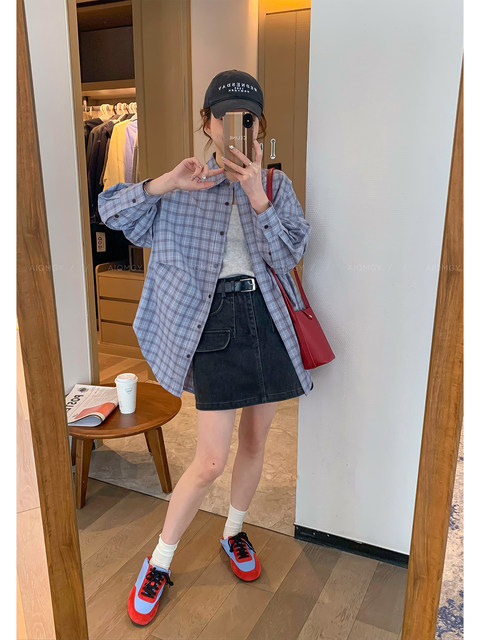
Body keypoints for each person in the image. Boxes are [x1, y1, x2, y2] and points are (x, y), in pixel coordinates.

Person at [98, 69, 313, 627]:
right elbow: (111, 212)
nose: (239, 127)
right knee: (211, 459)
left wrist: (257, 195)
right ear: (208, 123)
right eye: (227, 117)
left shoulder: (276, 186)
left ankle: (233, 531)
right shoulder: (183, 186)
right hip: (212, 324)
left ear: (259, 126)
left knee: (255, 441)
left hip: (266, 319)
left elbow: (290, 254)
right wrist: (163, 183)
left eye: (249, 119)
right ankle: (159, 560)